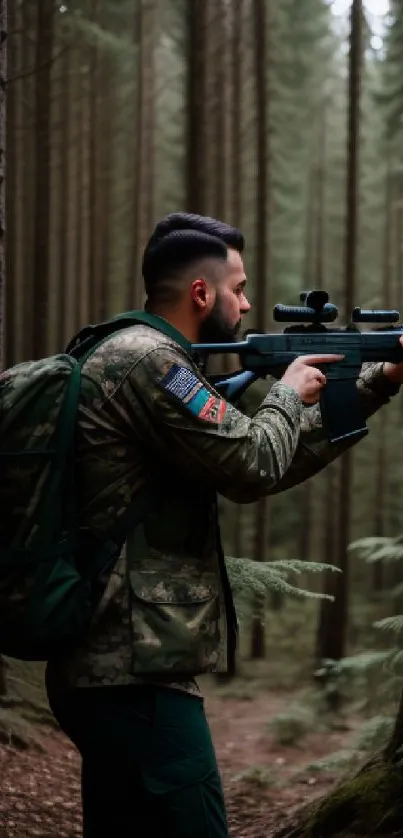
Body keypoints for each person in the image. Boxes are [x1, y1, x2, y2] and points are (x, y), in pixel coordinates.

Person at [45, 212, 403, 838]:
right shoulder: (154, 364)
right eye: (238, 288)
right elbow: (253, 461)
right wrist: (288, 391)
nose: (248, 302)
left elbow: (252, 460)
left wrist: (377, 382)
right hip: (131, 667)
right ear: (201, 293)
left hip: (112, 663)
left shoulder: (140, 357)